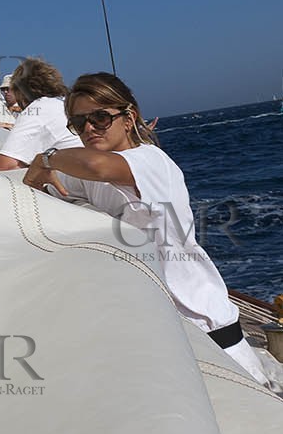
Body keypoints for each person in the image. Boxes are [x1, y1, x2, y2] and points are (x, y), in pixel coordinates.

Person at [23, 71, 264, 382]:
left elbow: (94, 166)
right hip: (162, 333)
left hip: (212, 338)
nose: (89, 129)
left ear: (129, 118)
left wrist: (46, 158)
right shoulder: (92, 177)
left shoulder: (150, 161)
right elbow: (54, 187)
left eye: (100, 118)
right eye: (79, 123)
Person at [0, 58, 82, 172]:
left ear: (20, 91)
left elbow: (5, 166)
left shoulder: (38, 108)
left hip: (76, 177)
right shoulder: (65, 103)